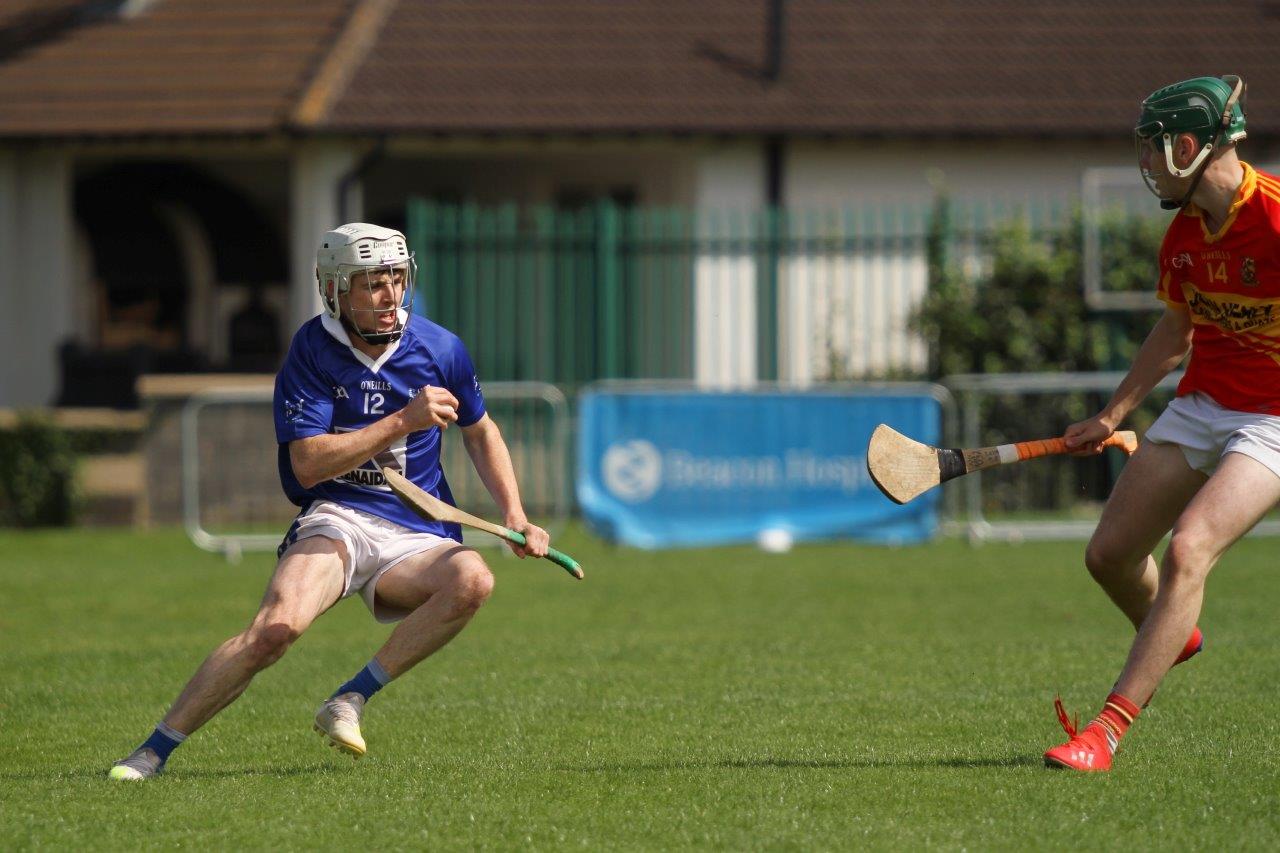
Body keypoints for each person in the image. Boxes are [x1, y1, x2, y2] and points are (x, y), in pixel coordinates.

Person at [109, 222, 552, 780]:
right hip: (338, 517)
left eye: (396, 278)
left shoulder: (441, 348)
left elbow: (480, 430)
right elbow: (310, 463)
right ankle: (152, 751)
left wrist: (515, 515)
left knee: (474, 580)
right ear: (336, 291)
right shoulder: (311, 349)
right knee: (275, 631)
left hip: (418, 534)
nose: (390, 295)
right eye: (371, 283)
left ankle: (350, 699)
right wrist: (403, 421)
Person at [1045, 76, 1280, 771]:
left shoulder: (1274, 218)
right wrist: (1112, 413)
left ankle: (1104, 733)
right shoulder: (1182, 234)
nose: (1146, 164)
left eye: (1154, 149)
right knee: (1108, 556)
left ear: (1188, 145)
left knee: (1188, 549)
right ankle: (1174, 632)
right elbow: (1177, 331)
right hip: (1202, 404)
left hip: (1271, 422)